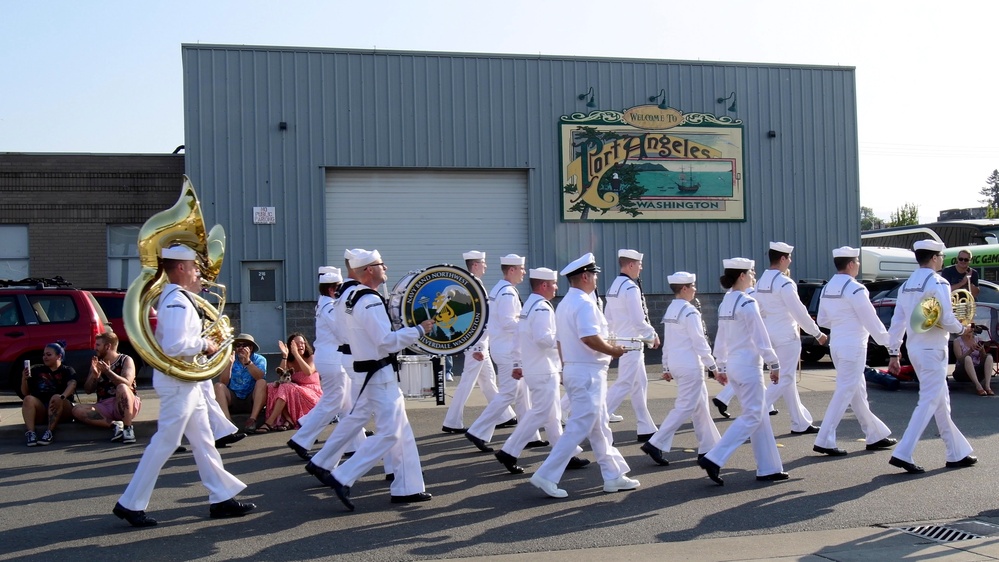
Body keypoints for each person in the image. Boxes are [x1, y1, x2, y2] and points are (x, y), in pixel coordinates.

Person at [113, 243, 253, 528]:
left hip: (186, 383)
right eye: (194, 267)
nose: (198, 272)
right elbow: (174, 345)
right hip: (178, 384)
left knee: (203, 440)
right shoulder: (177, 301)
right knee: (166, 442)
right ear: (180, 268)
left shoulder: (179, 298)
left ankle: (221, 498)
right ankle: (129, 503)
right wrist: (206, 343)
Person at [308, 249, 433, 511]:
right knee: (391, 433)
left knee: (389, 426)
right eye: (380, 264)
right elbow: (386, 341)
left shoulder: (346, 297)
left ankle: (407, 487)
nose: (385, 267)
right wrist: (419, 330)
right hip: (378, 372)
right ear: (368, 270)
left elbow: (348, 335)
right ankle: (343, 476)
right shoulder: (369, 299)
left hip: (365, 369)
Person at [529, 253, 637, 499]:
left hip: (579, 369)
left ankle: (613, 475)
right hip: (588, 371)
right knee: (579, 425)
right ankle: (546, 474)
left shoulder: (566, 302)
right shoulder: (585, 303)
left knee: (599, 426)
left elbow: (559, 341)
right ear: (586, 276)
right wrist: (613, 351)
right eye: (595, 275)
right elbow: (588, 338)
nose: (597, 278)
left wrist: (566, 367)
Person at [887, 239, 977, 474]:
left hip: (915, 349)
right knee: (928, 400)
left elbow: (897, 321)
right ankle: (903, 452)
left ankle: (956, 452)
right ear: (935, 258)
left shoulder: (907, 285)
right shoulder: (938, 282)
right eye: (942, 257)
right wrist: (962, 330)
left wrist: (894, 352)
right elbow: (946, 318)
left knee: (940, 401)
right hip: (933, 349)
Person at [697, 258, 786, 485]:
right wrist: (774, 364)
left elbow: (722, 338)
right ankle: (715, 457)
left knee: (760, 415)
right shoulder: (747, 303)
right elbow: (761, 339)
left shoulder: (726, 302)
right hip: (748, 367)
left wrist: (721, 365)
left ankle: (769, 468)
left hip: (735, 367)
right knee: (753, 415)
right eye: (752, 272)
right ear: (742, 276)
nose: (754, 276)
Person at [494, 267, 589, 474]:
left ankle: (566, 454)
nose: (556, 287)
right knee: (540, 413)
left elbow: (519, 336)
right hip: (543, 369)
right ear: (544, 285)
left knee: (552, 415)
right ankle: (508, 451)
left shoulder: (530, 305)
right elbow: (542, 338)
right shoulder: (542, 308)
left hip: (537, 367)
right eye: (554, 284)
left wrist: (518, 363)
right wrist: (566, 340)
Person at [812, 246, 896, 457]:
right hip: (853, 346)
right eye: (857, 261)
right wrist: (889, 342)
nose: (858, 265)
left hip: (837, 345)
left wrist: (841, 322)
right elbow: (871, 320)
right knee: (845, 391)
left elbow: (822, 320)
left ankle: (874, 434)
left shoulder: (828, 287)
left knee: (857, 391)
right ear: (850, 264)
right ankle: (824, 439)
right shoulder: (856, 288)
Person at [640, 272, 720, 467]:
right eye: (692, 286)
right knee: (684, 407)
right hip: (690, 366)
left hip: (677, 364)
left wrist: (666, 365)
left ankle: (709, 447)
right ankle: (655, 442)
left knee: (700, 407)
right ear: (684, 288)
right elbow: (699, 342)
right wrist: (713, 366)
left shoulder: (671, 310)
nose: (695, 290)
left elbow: (668, 343)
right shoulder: (690, 311)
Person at [465, 254, 542, 452]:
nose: (524, 273)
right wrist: (530, 326)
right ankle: (477, 430)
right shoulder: (507, 292)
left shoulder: (500, 289)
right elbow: (509, 322)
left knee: (523, 394)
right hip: (509, 350)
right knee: (509, 393)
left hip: (505, 348)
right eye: (522, 269)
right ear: (512, 270)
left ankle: (530, 435)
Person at [755, 242, 828, 434]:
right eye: (788, 258)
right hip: (786, 336)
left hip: (769, 334)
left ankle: (800, 422)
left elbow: (758, 310)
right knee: (786, 378)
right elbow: (799, 312)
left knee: (786, 381)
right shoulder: (784, 282)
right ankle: (753, 415)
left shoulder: (760, 282)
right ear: (782, 259)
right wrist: (817, 333)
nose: (790, 261)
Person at [441, 250, 513, 433]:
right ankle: (452, 422)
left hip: (480, 342)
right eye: (483, 263)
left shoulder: (470, 284)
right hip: (477, 343)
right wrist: (476, 345)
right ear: (475, 265)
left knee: (488, 381)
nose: (486, 266)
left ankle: (505, 415)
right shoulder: (472, 286)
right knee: (467, 383)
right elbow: (474, 319)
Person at [287, 266, 351, 461]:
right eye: (339, 287)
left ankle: (355, 443)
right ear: (332, 290)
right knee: (334, 402)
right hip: (333, 359)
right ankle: (301, 439)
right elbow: (342, 333)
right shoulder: (330, 306)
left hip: (333, 357)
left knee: (348, 404)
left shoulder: (326, 303)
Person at [603, 249, 661, 442]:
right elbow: (638, 319)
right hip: (633, 343)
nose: (641, 268)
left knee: (639, 384)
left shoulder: (614, 286)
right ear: (630, 265)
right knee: (625, 383)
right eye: (639, 265)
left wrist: (610, 338)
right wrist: (651, 335)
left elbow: (608, 317)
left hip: (622, 340)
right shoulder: (630, 288)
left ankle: (645, 427)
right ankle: (597, 420)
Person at [72, 332, 141, 444]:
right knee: (76, 410)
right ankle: (115, 425)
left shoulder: (126, 360)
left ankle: (128, 429)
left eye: (98, 345)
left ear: (108, 346)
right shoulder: (97, 363)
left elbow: (127, 383)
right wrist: (94, 376)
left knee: (122, 387)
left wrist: (108, 372)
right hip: (105, 405)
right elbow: (88, 390)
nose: (95, 348)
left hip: (125, 403)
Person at [259, 333, 323, 431]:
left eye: (302, 343)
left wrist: (297, 354)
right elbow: (281, 375)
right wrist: (285, 356)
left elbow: (308, 371)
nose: (300, 345)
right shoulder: (290, 361)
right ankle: (289, 419)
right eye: (297, 344)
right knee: (273, 386)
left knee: (285, 387)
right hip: (295, 392)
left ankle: (269, 422)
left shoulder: (312, 357)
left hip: (312, 394)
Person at [21, 341, 77, 447]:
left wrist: (62, 397)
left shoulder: (67, 370)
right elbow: (25, 393)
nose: (45, 357)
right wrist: (24, 379)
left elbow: (72, 384)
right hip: (43, 408)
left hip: (63, 408)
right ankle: (31, 433)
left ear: (59, 356)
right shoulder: (37, 370)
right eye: (44, 354)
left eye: (49, 354)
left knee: (56, 397)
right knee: (28, 399)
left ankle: (49, 432)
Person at [213, 333, 267, 434]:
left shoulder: (259, 359)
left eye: (244, 345)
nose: (241, 348)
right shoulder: (230, 359)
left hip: (251, 398)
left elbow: (260, 377)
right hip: (233, 397)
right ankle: (227, 422)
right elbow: (223, 382)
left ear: (250, 348)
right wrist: (229, 364)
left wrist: (248, 362)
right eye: (238, 345)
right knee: (218, 386)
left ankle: (252, 420)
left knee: (262, 383)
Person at [952, 328, 995, 395]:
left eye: (971, 329)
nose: (970, 330)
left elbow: (983, 358)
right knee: (968, 358)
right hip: (962, 372)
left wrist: (981, 351)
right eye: (968, 329)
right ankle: (978, 386)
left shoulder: (978, 339)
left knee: (989, 356)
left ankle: (987, 386)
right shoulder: (957, 341)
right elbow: (960, 359)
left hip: (977, 371)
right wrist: (970, 351)